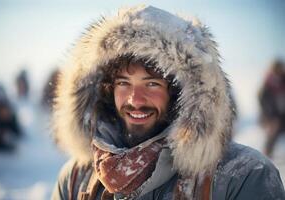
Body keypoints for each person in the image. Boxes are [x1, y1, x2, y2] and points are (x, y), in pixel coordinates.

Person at [52, 5, 285, 200]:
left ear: (180, 93)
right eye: (123, 83)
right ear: (107, 90)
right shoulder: (76, 177)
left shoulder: (242, 176)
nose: (135, 99)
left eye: (151, 84)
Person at [259, 59, 285, 157]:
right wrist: (269, 118)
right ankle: (267, 155)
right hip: (270, 116)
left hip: (281, 114)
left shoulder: (283, 80)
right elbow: (263, 100)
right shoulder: (268, 83)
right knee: (273, 130)